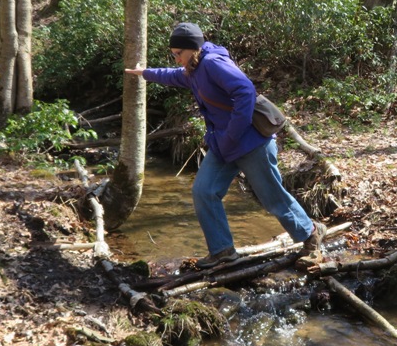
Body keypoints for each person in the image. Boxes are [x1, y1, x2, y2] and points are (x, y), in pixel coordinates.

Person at [125, 22, 326, 268]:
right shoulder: (193, 68)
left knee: (272, 197)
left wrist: (232, 134)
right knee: (204, 191)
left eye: (179, 53)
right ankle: (223, 251)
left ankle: (311, 234)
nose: (176, 58)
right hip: (224, 145)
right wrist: (144, 73)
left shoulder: (212, 63)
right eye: (173, 54)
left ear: (193, 49)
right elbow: (173, 75)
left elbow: (245, 91)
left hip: (251, 142)